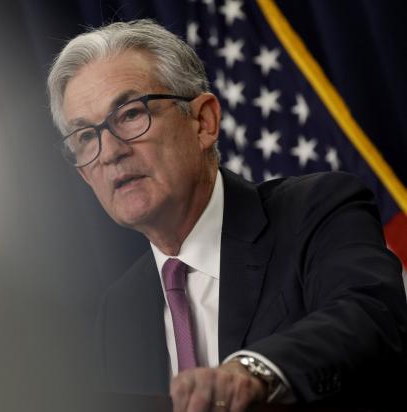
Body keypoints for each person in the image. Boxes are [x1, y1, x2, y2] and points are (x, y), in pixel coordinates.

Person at [47, 19, 407, 411]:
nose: (111, 150)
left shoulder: (316, 210)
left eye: (131, 114)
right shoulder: (119, 311)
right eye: (86, 136)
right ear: (83, 173)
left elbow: (371, 315)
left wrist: (252, 371)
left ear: (204, 122)